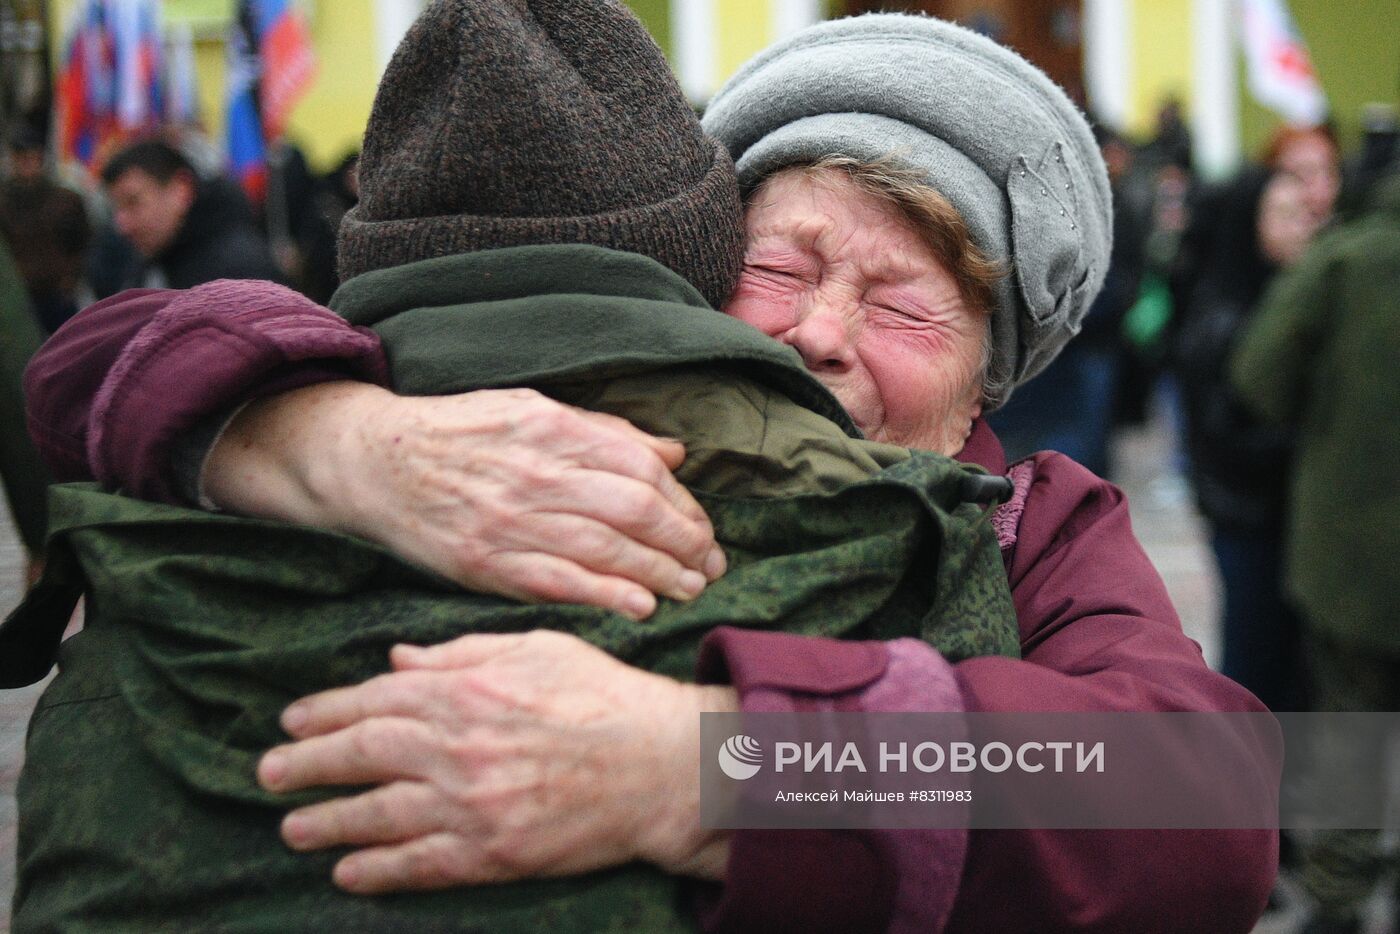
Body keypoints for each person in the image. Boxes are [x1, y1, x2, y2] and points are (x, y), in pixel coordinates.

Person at [19, 7, 1278, 932]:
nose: (818, 333)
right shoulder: (524, 412)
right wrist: (323, 439)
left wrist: (711, 766)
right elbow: (82, 367)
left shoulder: (1026, 527)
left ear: (982, 384)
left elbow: (1213, 796)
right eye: (779, 268)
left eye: (904, 308)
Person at [1232, 166, 1400, 934]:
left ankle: (1337, 892)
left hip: (1353, 550)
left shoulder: (1349, 259)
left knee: (1351, 724)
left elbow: (1260, 377)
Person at [99, 138, 279, 289]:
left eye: (133, 202)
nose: (122, 224)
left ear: (181, 189)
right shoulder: (150, 262)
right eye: (116, 208)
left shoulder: (241, 272)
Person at [0, 125, 92, 334]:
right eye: (20, 158)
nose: (26, 164)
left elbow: (84, 243)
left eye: (31, 157)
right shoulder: (4, 203)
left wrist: (71, 278)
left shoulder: (66, 201)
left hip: (58, 295)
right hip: (19, 297)